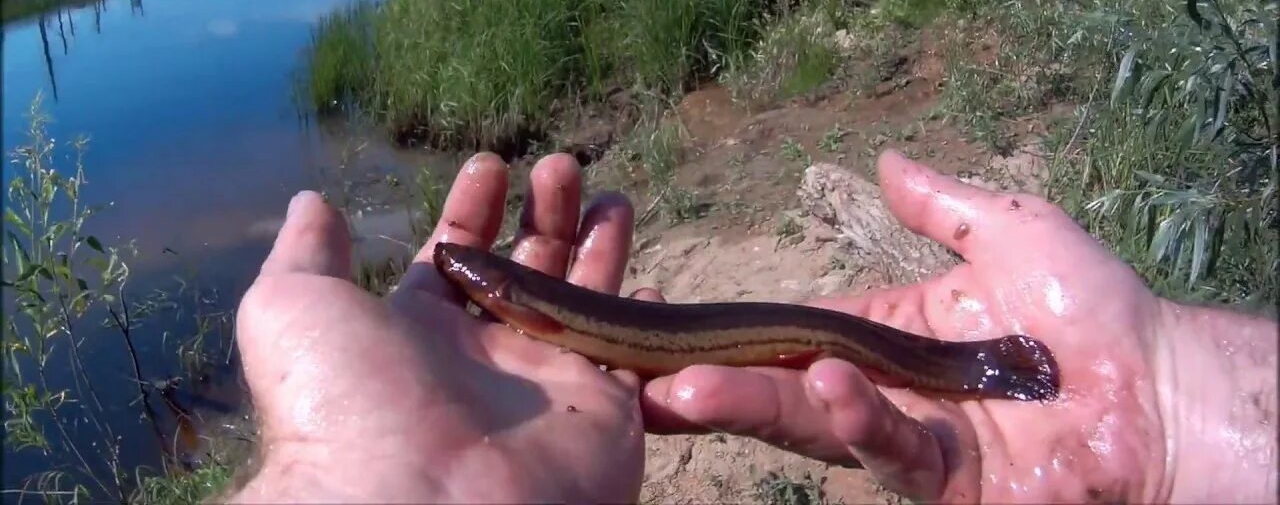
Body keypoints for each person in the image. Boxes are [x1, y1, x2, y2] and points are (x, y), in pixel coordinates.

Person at [222, 150, 1276, 504]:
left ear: (497, 295)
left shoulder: (505, 291)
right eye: (473, 280)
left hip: (981, 367)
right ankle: (980, 371)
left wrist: (1170, 402)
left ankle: (982, 370)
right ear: (495, 297)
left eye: (474, 277)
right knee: (818, 342)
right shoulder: (503, 291)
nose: (475, 283)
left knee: (871, 349)